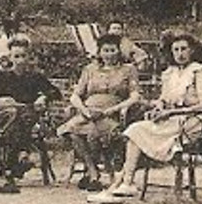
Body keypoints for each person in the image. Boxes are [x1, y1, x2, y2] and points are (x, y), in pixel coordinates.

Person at [89, 31, 202, 203]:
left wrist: (171, 112)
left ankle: (118, 185)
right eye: (176, 50)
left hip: (192, 122)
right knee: (135, 130)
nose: (180, 53)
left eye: (184, 49)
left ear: (192, 50)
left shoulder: (199, 71)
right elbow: (163, 99)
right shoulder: (170, 73)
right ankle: (126, 183)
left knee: (138, 132)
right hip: (171, 121)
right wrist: (158, 107)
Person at [57, 34, 142, 193]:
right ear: (99, 52)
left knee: (100, 133)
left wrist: (114, 109)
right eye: (105, 50)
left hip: (111, 113)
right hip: (88, 113)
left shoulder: (128, 70)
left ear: (119, 51)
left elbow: (135, 96)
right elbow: (75, 95)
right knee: (72, 130)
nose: (109, 54)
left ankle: (100, 173)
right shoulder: (89, 70)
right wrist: (84, 110)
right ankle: (93, 171)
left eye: (112, 50)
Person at [0, 37, 63, 192]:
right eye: (16, 56)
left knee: (25, 116)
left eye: (23, 56)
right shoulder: (2, 77)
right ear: (10, 58)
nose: (20, 60)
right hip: (5, 118)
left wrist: (43, 96)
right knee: (14, 114)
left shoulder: (35, 77)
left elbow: (55, 92)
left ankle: (10, 166)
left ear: (29, 57)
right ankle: (21, 155)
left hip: (28, 116)